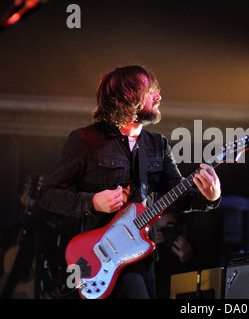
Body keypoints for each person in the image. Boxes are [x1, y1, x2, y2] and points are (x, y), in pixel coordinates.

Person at [38, 65, 221, 299]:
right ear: (128, 96)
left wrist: (210, 197)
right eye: (150, 90)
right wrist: (92, 202)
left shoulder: (157, 144)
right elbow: (48, 194)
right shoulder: (85, 140)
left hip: (144, 257)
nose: (159, 96)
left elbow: (181, 198)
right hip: (102, 257)